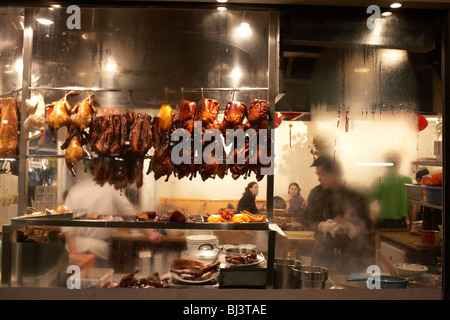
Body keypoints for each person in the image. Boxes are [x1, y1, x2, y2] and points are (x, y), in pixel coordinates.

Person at [63, 176, 163, 268]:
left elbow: (67, 225)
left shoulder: (75, 190)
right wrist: (149, 233)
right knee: (97, 285)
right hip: (97, 251)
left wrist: (73, 253)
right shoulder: (109, 187)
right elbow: (129, 212)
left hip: (73, 250)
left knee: (74, 286)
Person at [307, 156, 372, 274]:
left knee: (349, 289)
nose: (319, 179)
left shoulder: (353, 195)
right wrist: (327, 226)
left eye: (322, 174)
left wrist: (350, 228)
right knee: (318, 290)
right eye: (317, 175)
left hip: (349, 254)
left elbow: (366, 225)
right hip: (323, 252)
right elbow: (312, 221)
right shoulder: (316, 194)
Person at [368, 151, 413, 229]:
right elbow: (411, 206)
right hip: (401, 224)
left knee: (384, 241)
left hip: (383, 223)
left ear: (385, 164)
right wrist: (411, 225)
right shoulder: (407, 181)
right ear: (399, 164)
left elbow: (367, 200)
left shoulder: (380, 180)